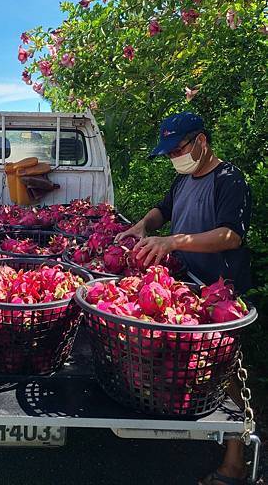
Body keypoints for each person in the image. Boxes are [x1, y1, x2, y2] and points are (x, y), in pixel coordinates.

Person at [116, 111, 252, 485]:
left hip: (219, 291)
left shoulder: (229, 179)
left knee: (228, 371)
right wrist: (143, 226)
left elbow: (231, 235)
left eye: (179, 148)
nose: (175, 156)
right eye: (170, 151)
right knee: (186, 363)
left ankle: (235, 461)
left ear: (201, 141)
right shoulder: (184, 180)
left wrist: (173, 241)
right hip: (186, 286)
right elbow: (164, 210)